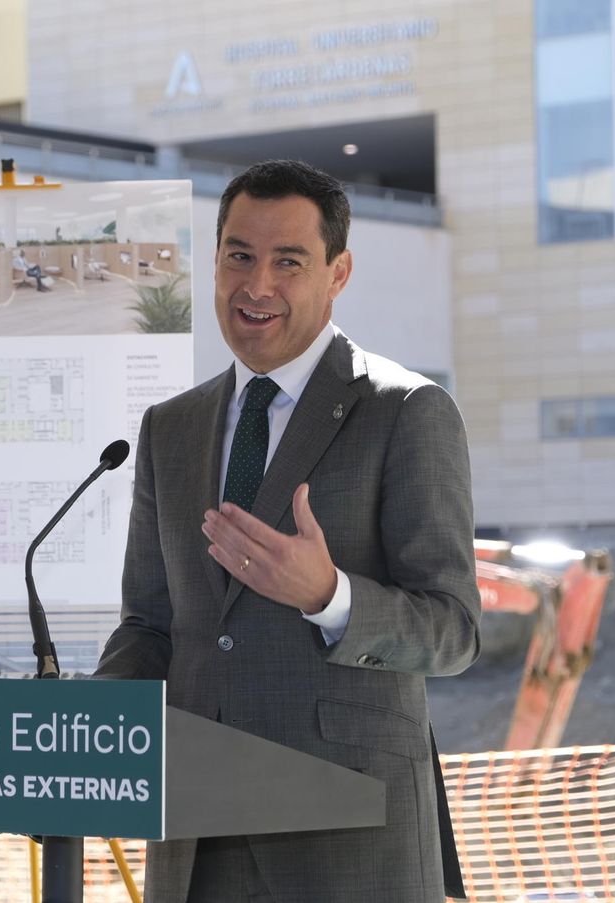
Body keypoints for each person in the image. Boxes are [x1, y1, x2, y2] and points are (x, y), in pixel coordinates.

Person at [95, 160, 479, 902]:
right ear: (213, 263)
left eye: (288, 261)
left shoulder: (406, 410)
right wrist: (79, 725)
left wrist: (329, 595)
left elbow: (454, 628)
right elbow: (150, 625)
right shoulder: (169, 429)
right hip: (196, 841)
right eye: (239, 255)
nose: (257, 284)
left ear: (338, 273)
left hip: (346, 847)